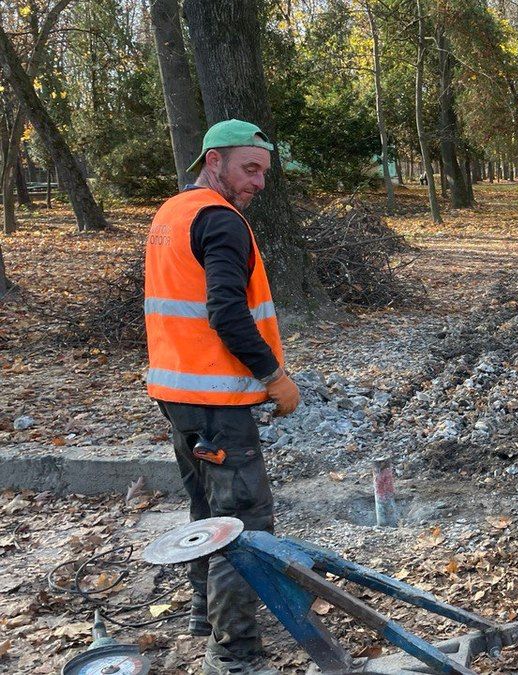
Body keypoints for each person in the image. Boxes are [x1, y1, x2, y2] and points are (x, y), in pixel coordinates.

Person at [143, 119, 300, 675]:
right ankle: (233, 653)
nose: (259, 182)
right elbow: (227, 312)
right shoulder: (221, 221)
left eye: (264, 171)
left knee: (206, 507)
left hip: (174, 391)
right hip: (216, 398)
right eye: (249, 168)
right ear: (213, 161)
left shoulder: (171, 213)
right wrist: (273, 375)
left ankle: (202, 616)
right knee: (243, 520)